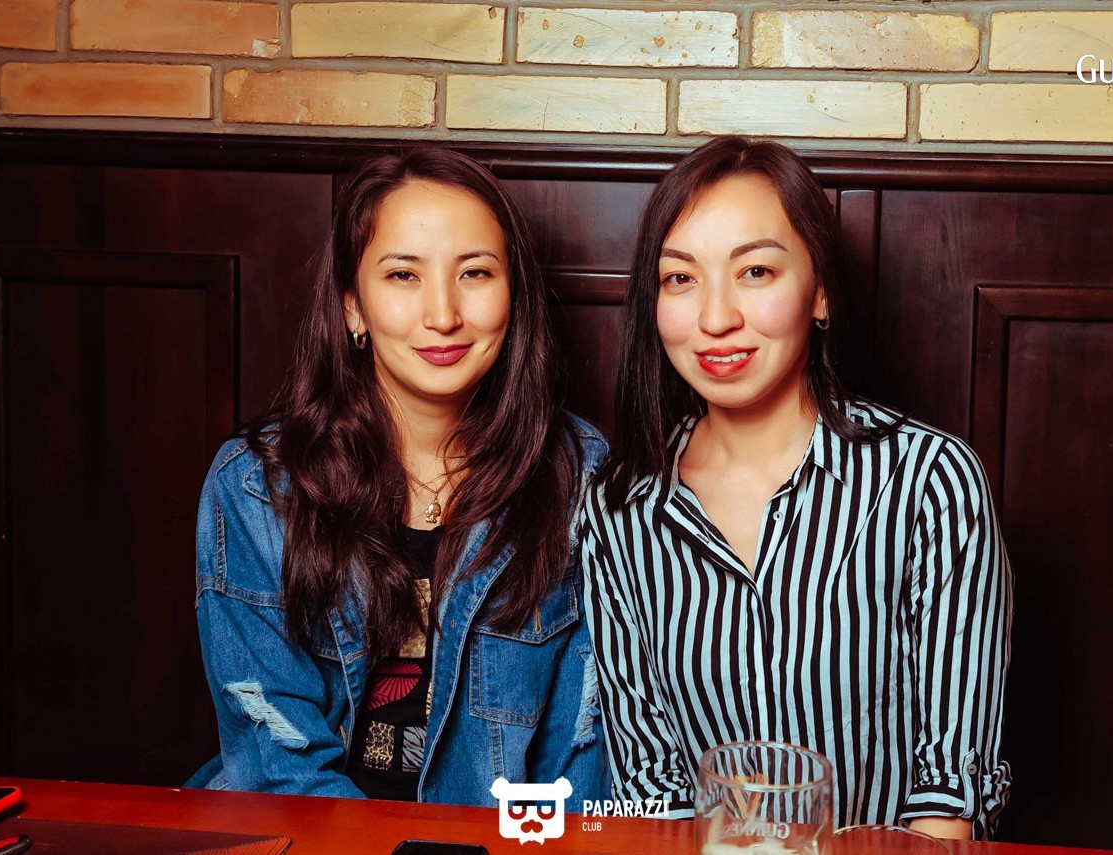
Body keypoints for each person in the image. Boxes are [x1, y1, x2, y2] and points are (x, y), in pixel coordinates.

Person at [580, 136, 1012, 839]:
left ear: (820, 293)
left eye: (755, 270)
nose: (716, 318)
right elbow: (652, 786)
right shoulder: (618, 508)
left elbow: (948, 800)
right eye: (681, 278)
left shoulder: (930, 483)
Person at [188, 147, 610, 804]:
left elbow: (579, 754)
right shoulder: (257, 485)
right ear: (353, 308)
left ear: (513, 297)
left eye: (475, 272)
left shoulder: (578, 474)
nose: (442, 314)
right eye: (403, 275)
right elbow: (275, 761)